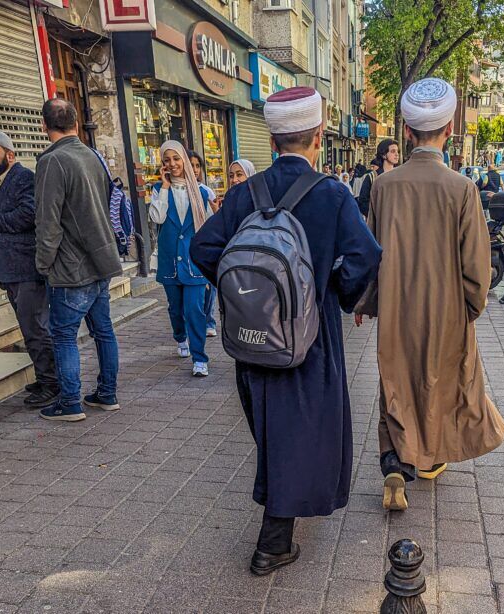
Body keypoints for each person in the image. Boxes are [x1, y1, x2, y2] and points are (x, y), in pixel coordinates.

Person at [190, 86, 381, 575]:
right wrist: (333, 292)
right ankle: (273, 543)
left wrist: (246, 298)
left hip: (252, 340)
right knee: (300, 432)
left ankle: (281, 522)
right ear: (318, 136)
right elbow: (365, 254)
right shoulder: (332, 195)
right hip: (310, 338)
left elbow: (203, 248)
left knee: (274, 430)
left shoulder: (244, 193)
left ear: (273, 142)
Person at [356, 77, 504, 511]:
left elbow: (371, 251)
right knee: (440, 383)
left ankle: (396, 462)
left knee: (396, 381)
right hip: (446, 311)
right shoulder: (462, 188)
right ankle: (430, 458)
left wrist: (367, 302)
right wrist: (470, 308)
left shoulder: (384, 186)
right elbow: (476, 267)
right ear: (450, 129)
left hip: (396, 306)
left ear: (406, 131)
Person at [35, 98, 123, 421]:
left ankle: (70, 401)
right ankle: (107, 393)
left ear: (44, 126)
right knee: (104, 331)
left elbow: (48, 221)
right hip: (101, 260)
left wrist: (43, 264)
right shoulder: (92, 155)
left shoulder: (52, 161)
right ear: (75, 123)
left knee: (63, 336)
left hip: (71, 267)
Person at [0, 130, 59, 408]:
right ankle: (45, 377)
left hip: (26, 271)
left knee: (35, 328)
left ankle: (52, 384)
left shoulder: (22, 177)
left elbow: (29, 214)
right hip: (14, 272)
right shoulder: (9, 179)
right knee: (30, 328)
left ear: (10, 155)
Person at [149, 141, 212, 377]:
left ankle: (200, 358)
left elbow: (208, 228)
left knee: (195, 310)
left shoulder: (202, 192)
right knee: (176, 309)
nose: (172, 164)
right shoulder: (159, 189)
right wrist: (165, 187)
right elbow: (157, 217)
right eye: (167, 160)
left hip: (194, 262)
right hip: (170, 261)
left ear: (184, 160)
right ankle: (180, 335)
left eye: (176, 158)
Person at [188, 150, 220, 338]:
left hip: (206, 243)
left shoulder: (206, 191)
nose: (194, 169)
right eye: (191, 165)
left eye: (197, 166)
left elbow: (214, 218)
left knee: (209, 286)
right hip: (187, 245)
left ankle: (209, 321)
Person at [357, 139, 399, 216]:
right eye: (393, 151)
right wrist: (378, 214)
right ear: (384, 155)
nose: (397, 154)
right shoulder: (372, 177)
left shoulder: (400, 175)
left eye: (397, 151)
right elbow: (363, 202)